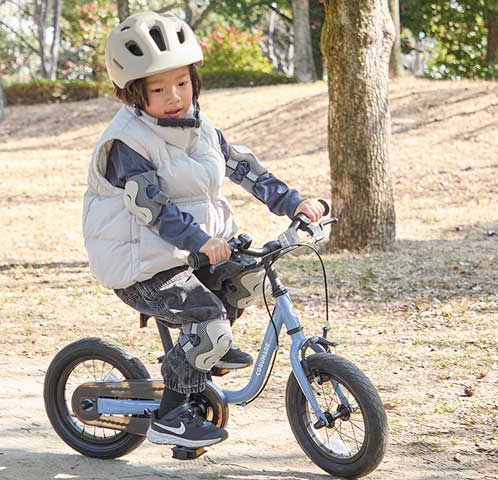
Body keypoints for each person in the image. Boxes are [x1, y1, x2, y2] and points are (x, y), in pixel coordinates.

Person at [82, 12, 325, 449]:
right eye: (158, 89)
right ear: (133, 94)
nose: (175, 96)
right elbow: (152, 209)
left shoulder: (201, 126)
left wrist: (293, 202)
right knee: (208, 321)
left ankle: (204, 351)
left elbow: (245, 169)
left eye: (182, 82)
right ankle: (171, 415)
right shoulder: (127, 143)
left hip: (189, 253)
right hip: (142, 265)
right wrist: (200, 241)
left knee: (249, 278)